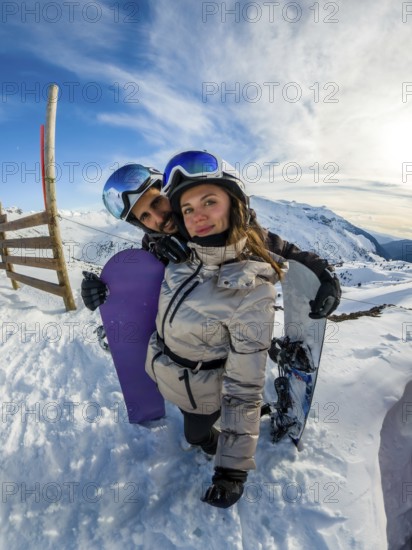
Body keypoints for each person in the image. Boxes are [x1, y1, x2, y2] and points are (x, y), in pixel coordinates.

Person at [144, 152, 282, 508]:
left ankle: (212, 441)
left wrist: (231, 471)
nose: (197, 215)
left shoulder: (251, 291)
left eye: (209, 201)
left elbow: (244, 386)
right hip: (169, 377)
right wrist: (108, 293)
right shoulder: (181, 257)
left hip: (204, 394)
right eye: (187, 209)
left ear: (235, 207)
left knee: (196, 436)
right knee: (190, 423)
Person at [81, 159, 340, 318]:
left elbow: (284, 250)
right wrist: (106, 292)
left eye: (158, 202)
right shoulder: (154, 248)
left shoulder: (224, 226)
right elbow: (142, 291)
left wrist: (324, 274)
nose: (158, 217)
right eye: (146, 217)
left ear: (170, 192)